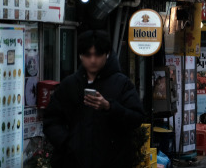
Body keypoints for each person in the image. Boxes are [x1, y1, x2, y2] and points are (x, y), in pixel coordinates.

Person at [43, 30, 143, 168]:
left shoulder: (121, 84)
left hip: (112, 161)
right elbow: (51, 120)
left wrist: (109, 107)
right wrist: (68, 143)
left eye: (98, 54)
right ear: (80, 56)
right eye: (88, 55)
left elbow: (136, 117)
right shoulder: (69, 84)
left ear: (107, 55)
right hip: (73, 162)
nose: (93, 60)